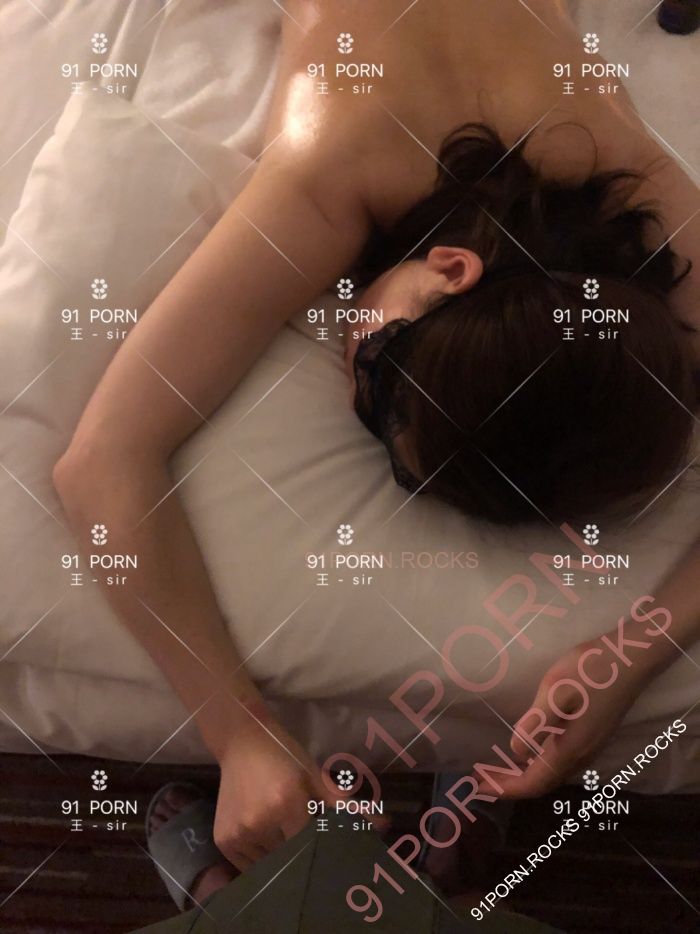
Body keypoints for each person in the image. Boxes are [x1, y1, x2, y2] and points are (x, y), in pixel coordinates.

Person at [52, 0, 699, 877]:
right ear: (451, 270)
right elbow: (100, 464)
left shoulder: (637, 192)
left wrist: (632, 651)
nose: (354, 372)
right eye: (378, 375)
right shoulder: (337, 158)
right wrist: (237, 733)